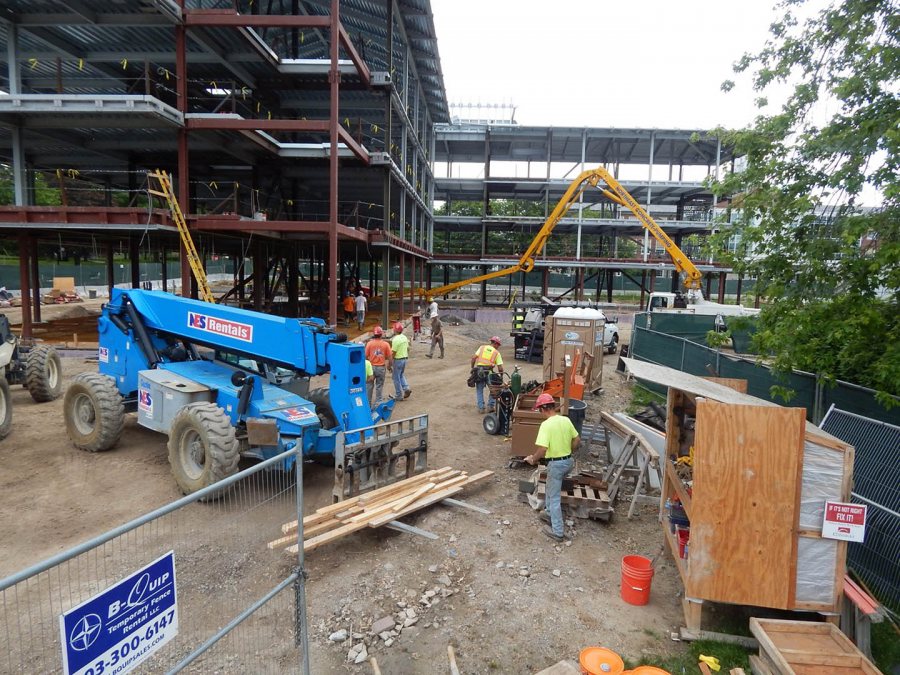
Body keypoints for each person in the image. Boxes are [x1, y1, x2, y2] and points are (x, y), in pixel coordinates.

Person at [525, 393, 580, 541]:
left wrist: (533, 459)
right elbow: (577, 439)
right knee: (550, 486)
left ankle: (558, 532)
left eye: (539, 410)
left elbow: (542, 449)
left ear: (543, 409)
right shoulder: (565, 420)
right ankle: (549, 513)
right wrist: (569, 450)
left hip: (556, 464)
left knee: (554, 497)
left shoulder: (546, 425)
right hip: (568, 462)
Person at [470, 336, 503, 413]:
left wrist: (472, 368)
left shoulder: (482, 348)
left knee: (479, 390)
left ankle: (481, 408)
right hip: (489, 372)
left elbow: (473, 358)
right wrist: (501, 376)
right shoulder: (496, 353)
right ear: (495, 343)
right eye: (498, 345)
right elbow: (500, 368)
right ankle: (490, 406)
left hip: (479, 372)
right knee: (494, 389)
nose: (498, 347)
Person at [364, 325, 392, 404]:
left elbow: (365, 357)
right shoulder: (386, 344)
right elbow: (390, 357)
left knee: (369, 385)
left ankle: (368, 403)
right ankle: (378, 403)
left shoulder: (369, 344)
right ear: (381, 334)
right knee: (379, 386)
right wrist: (389, 366)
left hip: (371, 367)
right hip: (381, 368)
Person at [389, 321, 411, 401]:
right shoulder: (404, 337)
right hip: (404, 359)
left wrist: (389, 364)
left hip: (398, 360)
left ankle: (398, 395)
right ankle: (406, 388)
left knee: (396, 378)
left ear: (396, 330)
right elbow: (408, 349)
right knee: (401, 375)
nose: (393, 330)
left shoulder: (395, 340)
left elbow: (393, 353)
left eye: (394, 329)